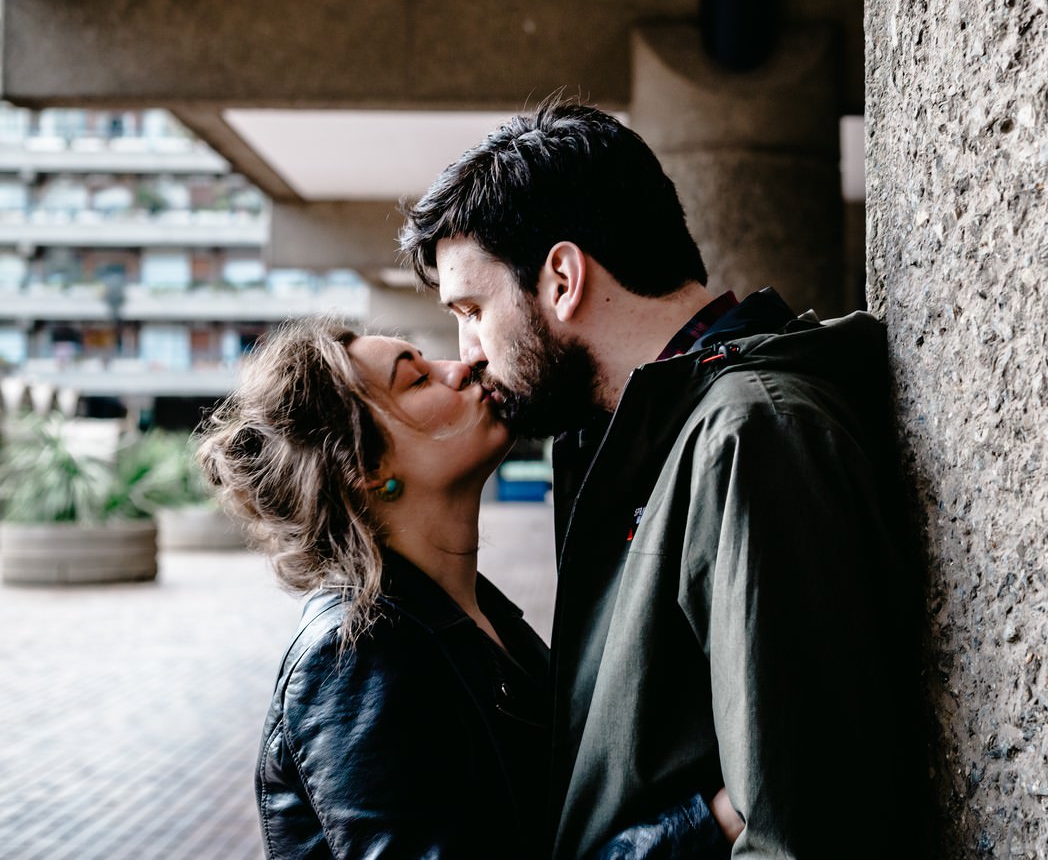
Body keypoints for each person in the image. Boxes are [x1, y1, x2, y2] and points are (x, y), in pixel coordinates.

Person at [399, 102, 928, 858]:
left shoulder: (749, 436)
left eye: (473, 309)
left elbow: (801, 831)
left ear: (562, 279)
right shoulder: (653, 435)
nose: (469, 352)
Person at [196, 317, 733, 860]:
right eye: (417, 379)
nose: (462, 367)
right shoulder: (355, 655)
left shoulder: (470, 613)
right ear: (364, 465)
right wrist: (706, 825)